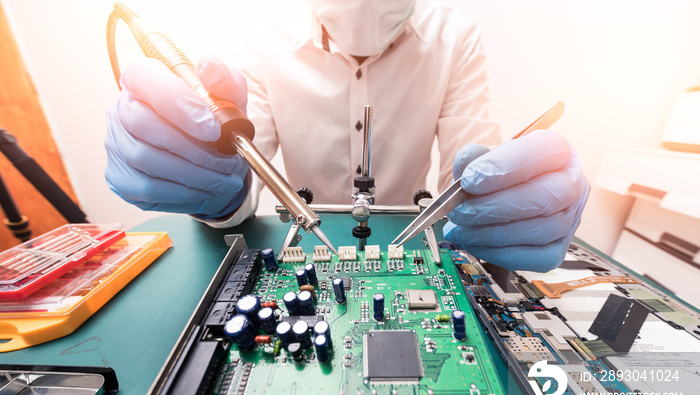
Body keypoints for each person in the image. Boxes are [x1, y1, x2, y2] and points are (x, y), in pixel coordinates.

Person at [105, 0, 589, 272]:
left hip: (411, 242)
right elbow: (245, 178)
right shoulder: (262, 40)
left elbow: (468, 172)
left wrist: (509, 195)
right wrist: (214, 186)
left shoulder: (454, 36)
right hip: (303, 243)